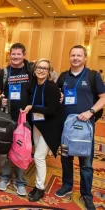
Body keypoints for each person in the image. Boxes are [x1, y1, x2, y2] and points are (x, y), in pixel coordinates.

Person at [55, 45, 105, 210]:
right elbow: (56, 95)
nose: (75, 58)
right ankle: (67, 185)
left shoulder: (92, 76)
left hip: (85, 126)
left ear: (85, 58)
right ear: (69, 57)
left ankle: (86, 194)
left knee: (86, 162)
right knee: (66, 158)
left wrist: (91, 111)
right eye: (73, 55)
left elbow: (103, 98)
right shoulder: (63, 76)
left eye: (79, 55)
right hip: (66, 126)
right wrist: (59, 97)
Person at [0, 43, 33, 196]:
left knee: (22, 150)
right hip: (6, 117)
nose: (15, 57)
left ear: (24, 55)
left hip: (24, 118)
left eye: (18, 54)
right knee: (4, 150)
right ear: (9, 55)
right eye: (13, 54)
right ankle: (4, 176)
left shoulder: (30, 71)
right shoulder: (3, 73)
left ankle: (20, 181)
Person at [22, 58, 63, 201]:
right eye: (39, 67)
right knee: (38, 156)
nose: (41, 70)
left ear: (49, 71)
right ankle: (38, 185)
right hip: (38, 125)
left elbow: (52, 110)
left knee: (38, 157)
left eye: (45, 68)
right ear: (34, 69)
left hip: (50, 127)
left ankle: (40, 188)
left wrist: (33, 108)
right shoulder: (34, 84)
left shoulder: (51, 86)